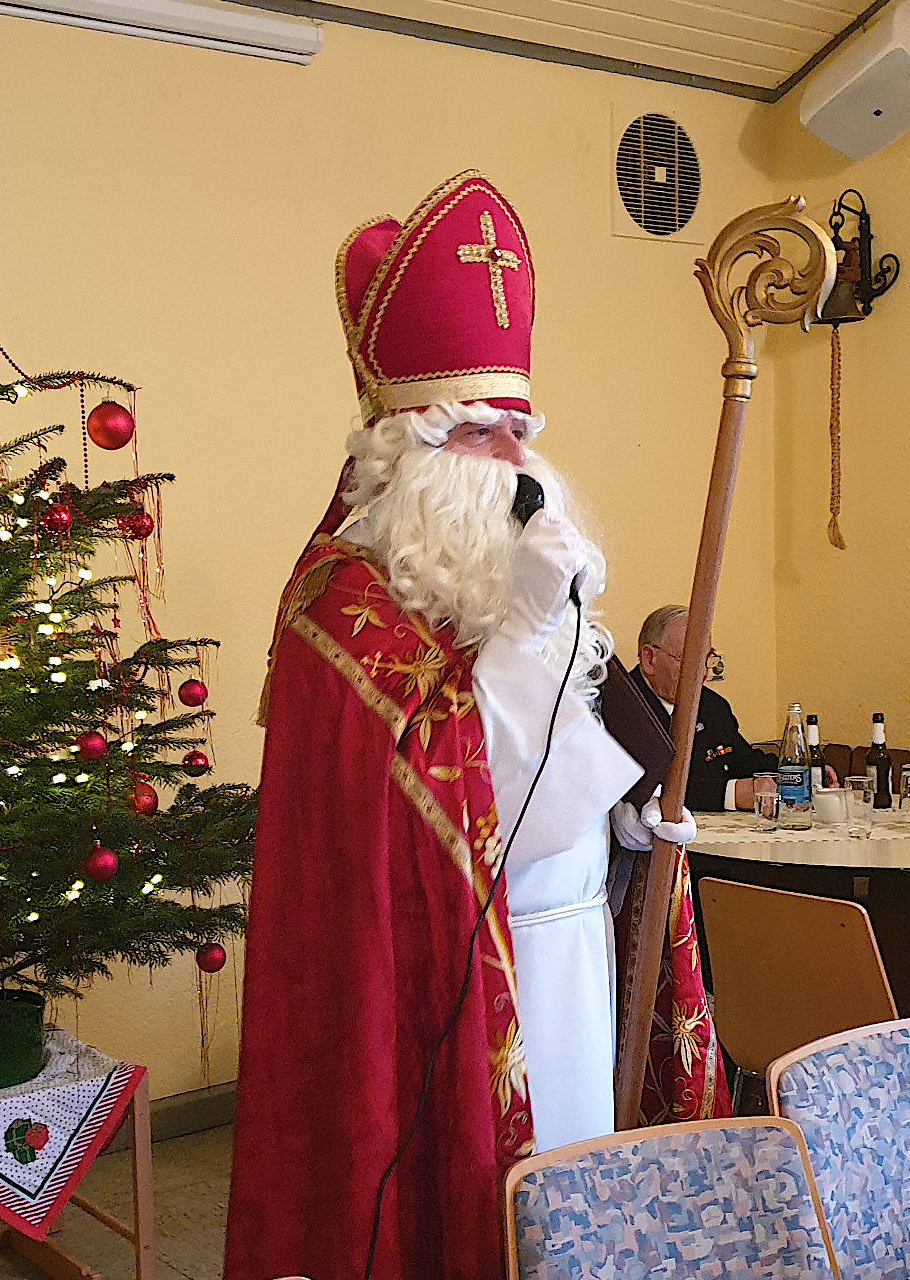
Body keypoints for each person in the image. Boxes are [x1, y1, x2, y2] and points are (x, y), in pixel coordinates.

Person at [224, 171, 708, 1280]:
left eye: (518, 428)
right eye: (476, 429)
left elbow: (575, 764)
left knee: (586, 1198)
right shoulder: (337, 602)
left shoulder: (530, 576)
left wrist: (627, 826)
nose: (512, 457)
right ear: (403, 445)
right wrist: (519, 638)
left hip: (579, 946)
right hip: (453, 990)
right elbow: (455, 805)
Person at [630, 605, 835, 811]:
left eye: (706, 659)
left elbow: (741, 759)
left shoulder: (712, 706)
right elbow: (648, 789)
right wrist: (732, 794)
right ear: (649, 659)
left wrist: (798, 774)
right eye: (690, 660)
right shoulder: (624, 708)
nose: (702, 673)